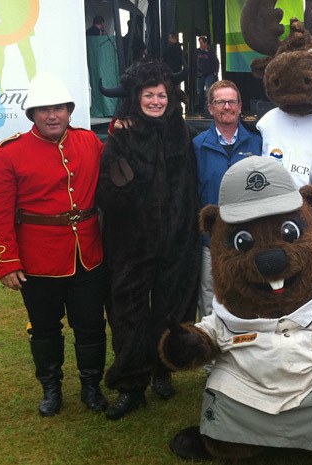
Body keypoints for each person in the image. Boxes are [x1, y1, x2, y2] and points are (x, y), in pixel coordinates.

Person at [0, 72, 108, 417]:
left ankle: (91, 387)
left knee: (91, 326)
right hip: (38, 261)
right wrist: (6, 263)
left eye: (59, 109)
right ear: (32, 114)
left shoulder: (90, 143)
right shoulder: (9, 153)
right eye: (43, 109)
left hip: (88, 257)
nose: (52, 115)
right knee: (45, 328)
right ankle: (51, 389)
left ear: (69, 111)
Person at [97, 58, 201, 420]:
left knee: (172, 311)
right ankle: (130, 385)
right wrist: (120, 184)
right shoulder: (121, 135)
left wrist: (187, 233)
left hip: (176, 243)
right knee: (128, 315)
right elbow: (105, 192)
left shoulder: (182, 134)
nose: (156, 101)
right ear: (136, 98)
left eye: (161, 94)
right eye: (148, 95)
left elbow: (192, 188)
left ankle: (162, 370)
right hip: (132, 247)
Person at [192, 80, 262, 319]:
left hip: (250, 239)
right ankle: (212, 355)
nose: (227, 106)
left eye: (232, 101)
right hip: (212, 242)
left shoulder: (257, 143)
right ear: (210, 108)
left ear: (240, 106)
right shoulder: (197, 146)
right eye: (220, 102)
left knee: (249, 296)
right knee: (211, 300)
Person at [195, 36, 219, 114]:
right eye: (199, 43)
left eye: (201, 43)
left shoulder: (211, 51)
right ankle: (201, 109)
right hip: (200, 74)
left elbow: (216, 62)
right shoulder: (197, 51)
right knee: (200, 92)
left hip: (209, 74)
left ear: (205, 43)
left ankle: (207, 109)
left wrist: (215, 72)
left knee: (208, 91)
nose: (200, 45)